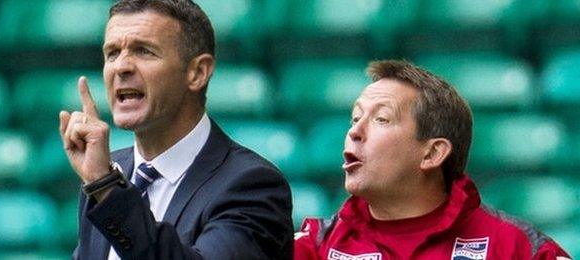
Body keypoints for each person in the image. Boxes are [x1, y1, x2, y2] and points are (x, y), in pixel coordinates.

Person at [58, 0, 293, 259]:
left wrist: (106, 188)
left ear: (197, 72)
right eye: (112, 53)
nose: (121, 67)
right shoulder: (107, 172)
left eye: (144, 51)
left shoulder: (251, 185)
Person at [294, 60, 570, 259]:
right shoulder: (315, 246)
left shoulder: (516, 248)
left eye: (381, 119)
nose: (354, 131)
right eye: (355, 118)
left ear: (432, 153)